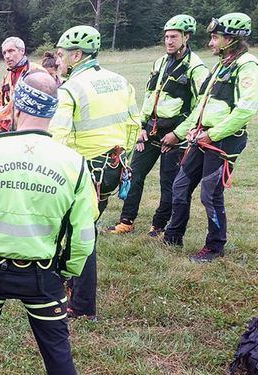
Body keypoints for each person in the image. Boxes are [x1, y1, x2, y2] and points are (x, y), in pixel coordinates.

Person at [0, 71, 97, 375]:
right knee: (58, 355)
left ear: (17, 107)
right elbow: (84, 232)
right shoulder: (75, 164)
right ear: (52, 111)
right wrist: (68, 270)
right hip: (44, 276)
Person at [50, 25, 140, 320]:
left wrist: (54, 170)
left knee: (81, 234)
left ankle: (83, 304)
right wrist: (121, 157)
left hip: (86, 169)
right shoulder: (119, 81)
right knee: (81, 229)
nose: (59, 61)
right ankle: (70, 282)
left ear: (77, 55)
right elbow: (133, 124)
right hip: (112, 166)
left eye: (62, 55)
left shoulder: (71, 89)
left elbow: (57, 136)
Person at [161, 12, 258, 262]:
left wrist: (212, 134)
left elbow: (246, 109)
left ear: (231, 38)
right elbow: (200, 107)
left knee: (210, 195)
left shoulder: (247, 66)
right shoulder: (221, 65)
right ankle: (173, 236)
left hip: (224, 141)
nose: (210, 43)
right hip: (202, 138)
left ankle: (215, 247)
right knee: (180, 187)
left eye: (215, 38)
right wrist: (183, 132)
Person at [107, 15, 208, 237]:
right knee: (134, 174)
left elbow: (201, 106)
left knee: (168, 182)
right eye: (166, 37)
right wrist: (142, 126)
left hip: (175, 134)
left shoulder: (196, 68)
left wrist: (178, 134)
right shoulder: (160, 62)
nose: (169, 41)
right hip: (150, 130)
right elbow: (150, 95)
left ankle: (159, 224)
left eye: (174, 37)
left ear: (186, 37)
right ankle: (126, 221)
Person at [0, 36, 43, 135]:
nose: (7, 56)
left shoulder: (36, 71)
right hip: (7, 129)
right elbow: (0, 105)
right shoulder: (7, 76)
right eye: (4, 53)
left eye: (11, 51)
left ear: (22, 51)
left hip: (29, 128)